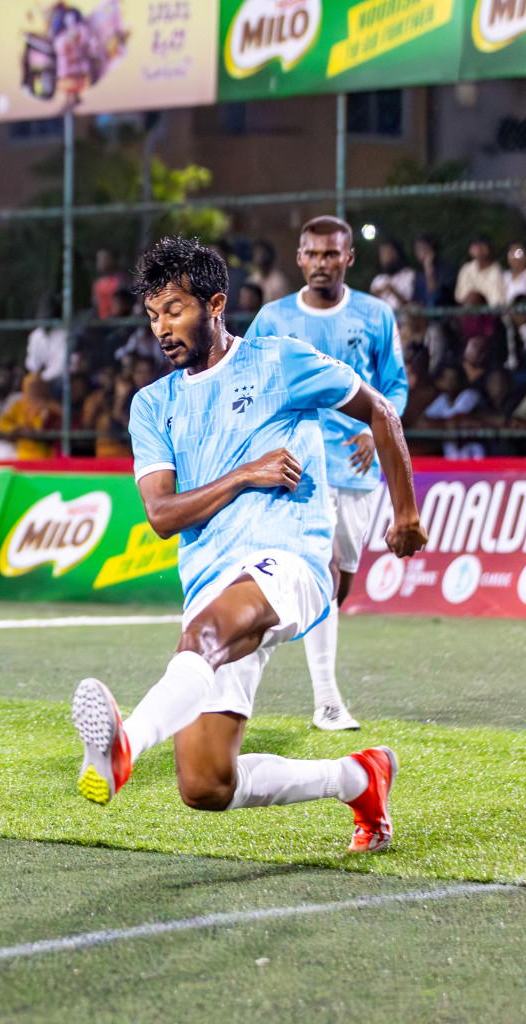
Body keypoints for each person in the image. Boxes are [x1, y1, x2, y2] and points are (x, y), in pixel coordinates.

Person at [72, 236, 424, 855]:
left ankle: (125, 744)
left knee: (201, 636)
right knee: (205, 783)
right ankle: (359, 778)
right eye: (153, 315)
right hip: (210, 578)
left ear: (215, 304)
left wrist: (405, 512)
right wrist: (244, 474)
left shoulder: (278, 360)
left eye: (175, 310)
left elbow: (380, 413)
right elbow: (160, 515)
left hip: (289, 557)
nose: (162, 329)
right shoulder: (152, 405)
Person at [243, 216, 407, 732]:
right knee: (327, 566)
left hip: (357, 467)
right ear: (299, 259)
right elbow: (245, 381)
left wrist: (373, 431)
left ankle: (294, 631)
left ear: (348, 259)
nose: (321, 263)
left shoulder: (376, 315)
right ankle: (328, 701)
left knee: (339, 584)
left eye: (331, 255)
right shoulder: (272, 318)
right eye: (312, 254)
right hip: (300, 468)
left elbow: (396, 386)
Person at [455, 236, 508, 309]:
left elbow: (497, 302)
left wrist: (478, 299)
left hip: (489, 315)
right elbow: (459, 297)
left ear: (490, 249)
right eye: (476, 246)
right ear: (470, 250)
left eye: (482, 246)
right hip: (467, 314)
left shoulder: (497, 271)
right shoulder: (466, 269)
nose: (479, 250)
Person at [370, 240, 416, 311]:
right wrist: (375, 295)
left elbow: (411, 306)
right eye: (383, 253)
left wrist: (393, 291)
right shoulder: (378, 280)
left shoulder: (409, 275)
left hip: (401, 318)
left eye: (389, 252)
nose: (386, 257)